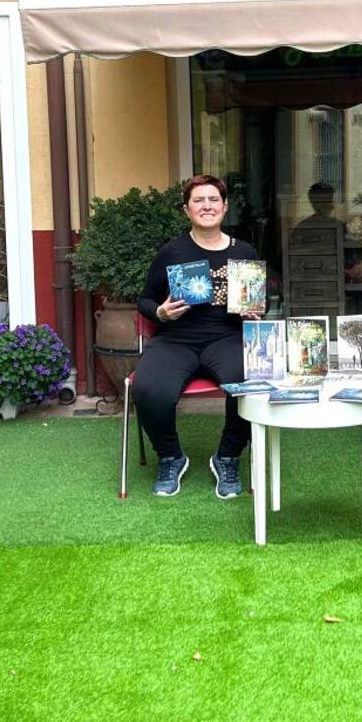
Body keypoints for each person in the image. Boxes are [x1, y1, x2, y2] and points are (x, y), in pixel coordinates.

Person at [134, 174, 260, 499]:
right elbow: (145, 300)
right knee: (148, 387)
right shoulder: (171, 252)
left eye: (213, 199)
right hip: (175, 339)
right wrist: (161, 312)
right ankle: (171, 457)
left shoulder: (244, 251)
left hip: (227, 338)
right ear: (187, 209)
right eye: (198, 200)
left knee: (252, 382)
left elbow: (259, 301)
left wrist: (254, 312)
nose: (207, 206)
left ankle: (228, 457)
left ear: (225, 206)